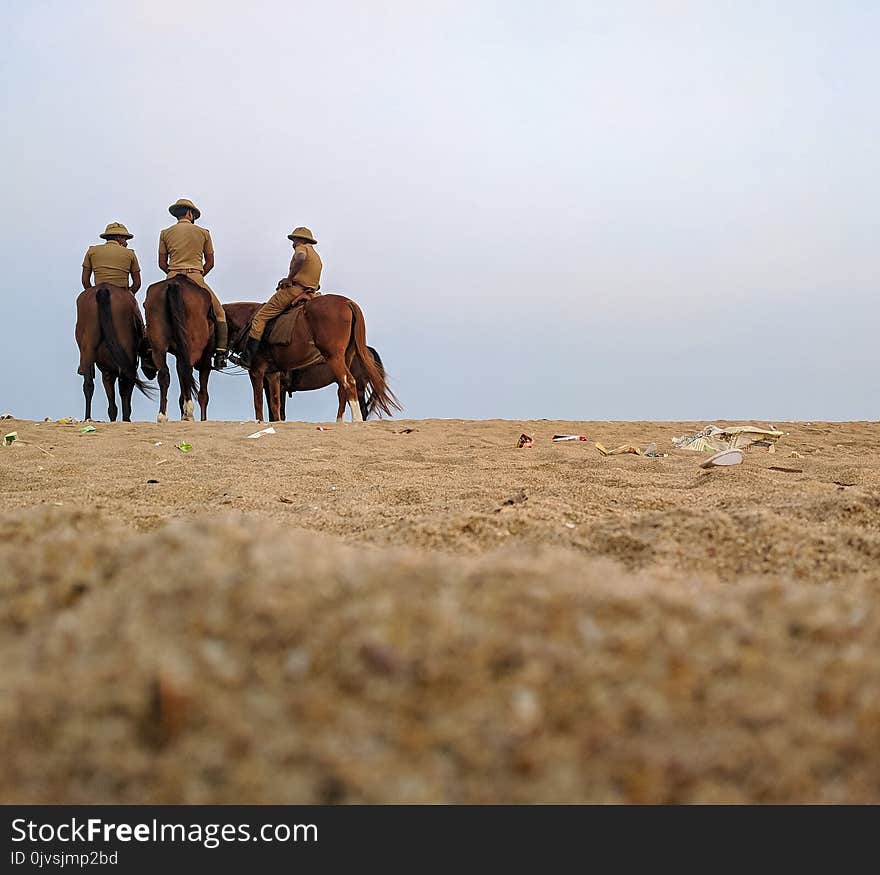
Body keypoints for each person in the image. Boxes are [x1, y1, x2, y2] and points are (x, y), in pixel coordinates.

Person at [235, 227, 322, 370]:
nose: (293, 243)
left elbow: (300, 257)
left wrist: (289, 278)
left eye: (294, 239)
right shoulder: (316, 256)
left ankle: (247, 358)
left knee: (260, 317)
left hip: (295, 290)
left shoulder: (301, 248)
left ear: (301, 239)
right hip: (310, 293)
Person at [159, 198, 228, 370]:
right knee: (220, 313)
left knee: (154, 311)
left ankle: (148, 348)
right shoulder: (203, 232)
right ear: (190, 213)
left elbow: (162, 263)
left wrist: (173, 272)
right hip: (195, 277)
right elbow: (210, 262)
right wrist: (199, 273)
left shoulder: (165, 233)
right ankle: (220, 354)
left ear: (177, 214)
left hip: (172, 276)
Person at [82, 222, 140, 293]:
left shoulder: (91, 251)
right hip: (122, 291)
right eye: (125, 239)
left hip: (98, 290)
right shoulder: (130, 253)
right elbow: (137, 283)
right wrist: (130, 293)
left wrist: (92, 293)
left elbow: (85, 280)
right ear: (118, 237)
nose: (126, 243)